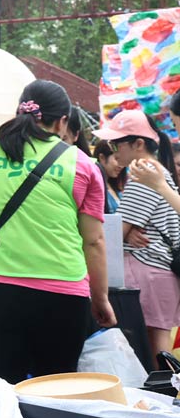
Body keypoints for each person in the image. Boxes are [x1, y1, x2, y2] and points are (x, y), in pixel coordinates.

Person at [0, 80, 115, 383]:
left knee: (0, 388)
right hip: (62, 292)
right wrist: (100, 298)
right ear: (63, 121)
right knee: (58, 390)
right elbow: (94, 241)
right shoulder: (82, 164)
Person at [95, 109, 180, 365]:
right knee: (158, 348)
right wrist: (127, 231)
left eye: (116, 144)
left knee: (153, 354)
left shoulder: (144, 174)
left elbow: (116, 231)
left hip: (147, 270)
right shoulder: (155, 173)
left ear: (138, 144)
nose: (115, 150)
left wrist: (124, 231)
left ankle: (163, 402)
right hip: (157, 271)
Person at [94, 139, 126, 214]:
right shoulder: (95, 187)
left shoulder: (114, 187)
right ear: (102, 158)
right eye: (116, 159)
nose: (121, 165)